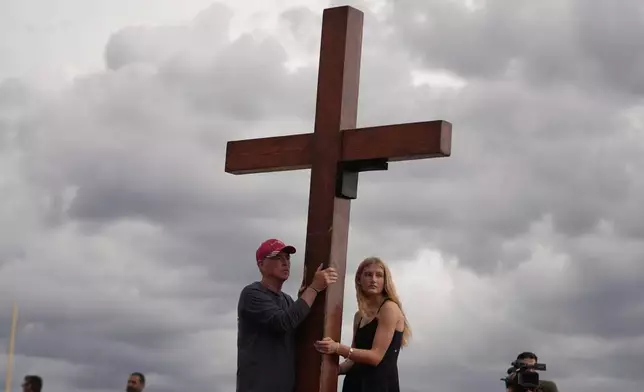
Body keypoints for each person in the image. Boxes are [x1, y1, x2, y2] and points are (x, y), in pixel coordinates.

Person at [237, 238, 338, 392]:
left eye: (287, 258)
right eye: (278, 258)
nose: (285, 263)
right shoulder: (252, 294)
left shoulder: (287, 300)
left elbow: (300, 331)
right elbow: (283, 322)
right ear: (261, 264)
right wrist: (314, 288)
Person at [314, 257, 411, 392]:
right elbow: (353, 359)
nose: (373, 279)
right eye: (368, 274)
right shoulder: (359, 316)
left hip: (380, 386)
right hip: (355, 385)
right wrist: (334, 370)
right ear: (359, 280)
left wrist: (337, 348)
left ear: (385, 280)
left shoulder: (389, 308)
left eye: (379, 275)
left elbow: (375, 357)